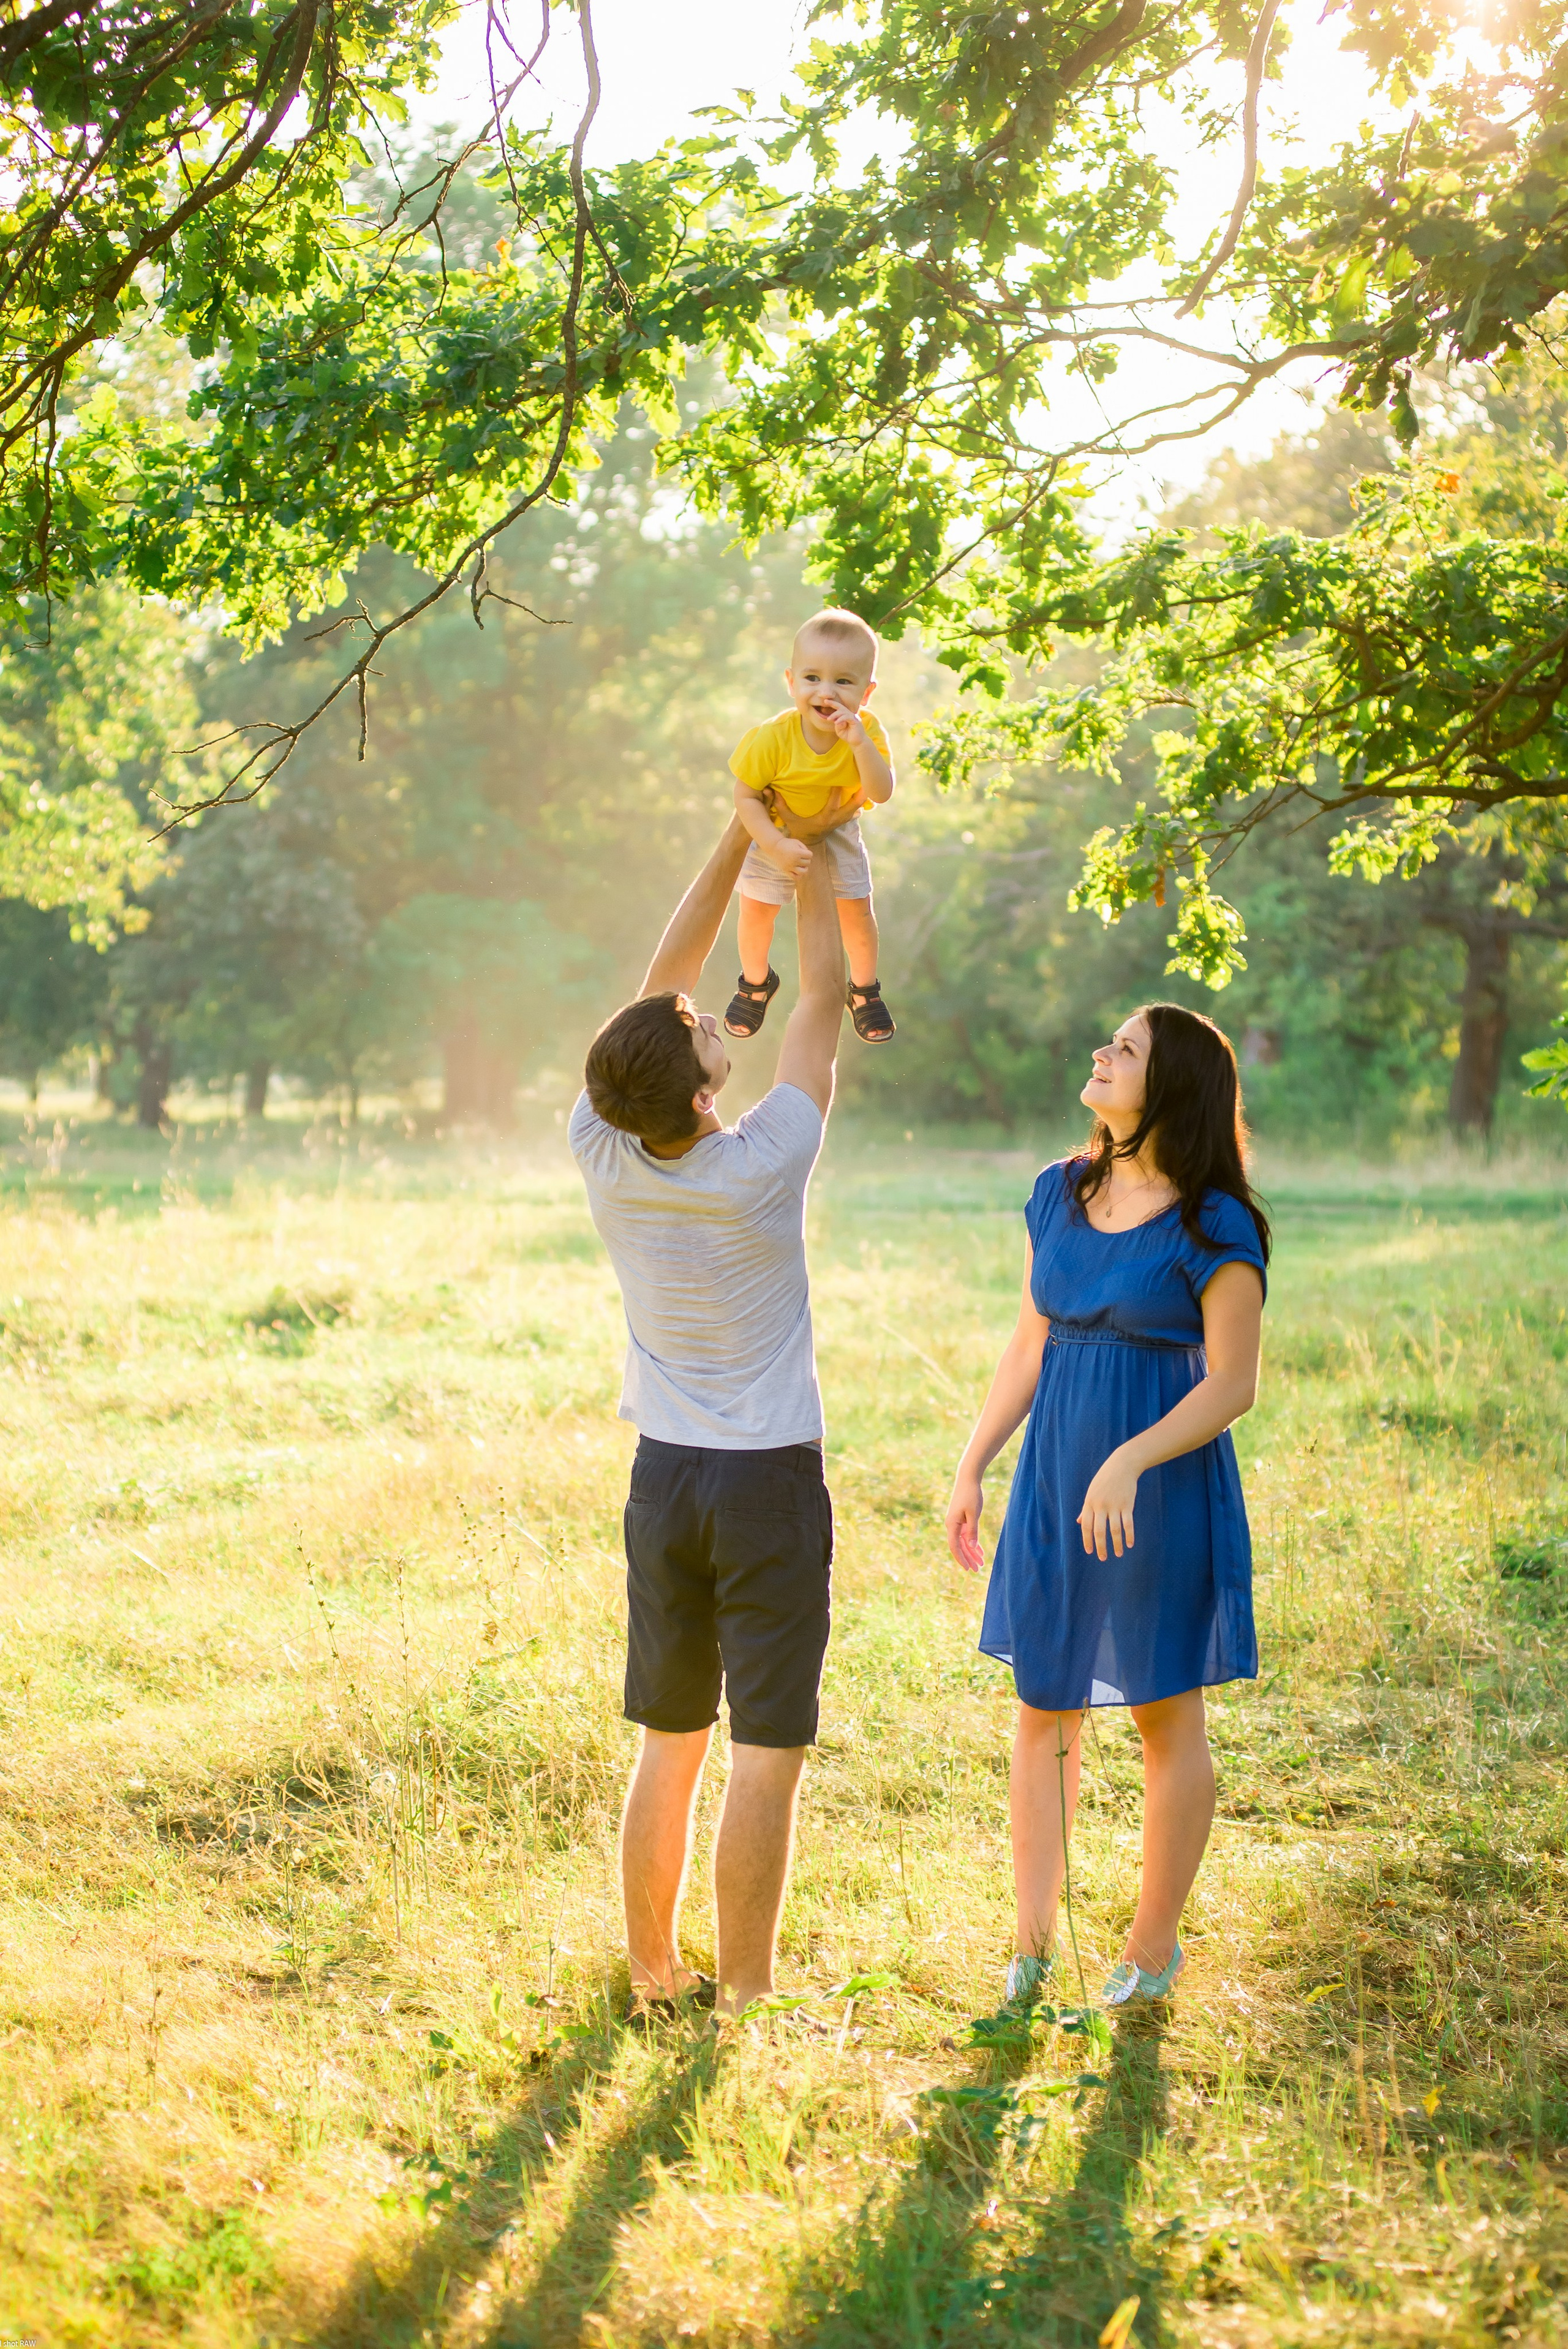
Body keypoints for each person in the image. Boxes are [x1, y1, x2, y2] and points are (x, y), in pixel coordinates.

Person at [569, 801, 854, 2019]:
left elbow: (656, 989)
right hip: (767, 1486)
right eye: (691, 1033)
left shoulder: (603, 1142)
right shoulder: (760, 1161)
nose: (691, 1012)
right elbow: (821, 1007)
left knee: (667, 1744)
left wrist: (742, 839)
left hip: (665, 1484)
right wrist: (831, 863)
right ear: (697, 1094)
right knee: (765, 1756)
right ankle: (741, 1996)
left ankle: (651, 1976)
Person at [945, 1004, 1269, 2013]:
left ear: (1169, 1084)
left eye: (1124, 1049)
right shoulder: (1060, 1191)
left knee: (1166, 1715)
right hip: (1054, 1480)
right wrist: (973, 1465)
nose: (1101, 1054)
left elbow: (1232, 1384)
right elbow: (1029, 1344)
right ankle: (1032, 1950)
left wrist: (1130, 1459)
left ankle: (1150, 1947)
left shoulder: (1215, 1219)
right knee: (1044, 1711)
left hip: (1156, 1490)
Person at [724, 608, 898, 1045]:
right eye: (812, 678)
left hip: (839, 829)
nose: (826, 692)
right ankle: (755, 980)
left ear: (867, 691)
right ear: (791, 682)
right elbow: (745, 796)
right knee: (756, 909)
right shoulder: (773, 737)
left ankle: (864, 989)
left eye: (844, 681)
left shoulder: (868, 730)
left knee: (856, 911)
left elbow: (881, 792)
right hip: (775, 827)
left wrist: (858, 742)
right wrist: (775, 844)